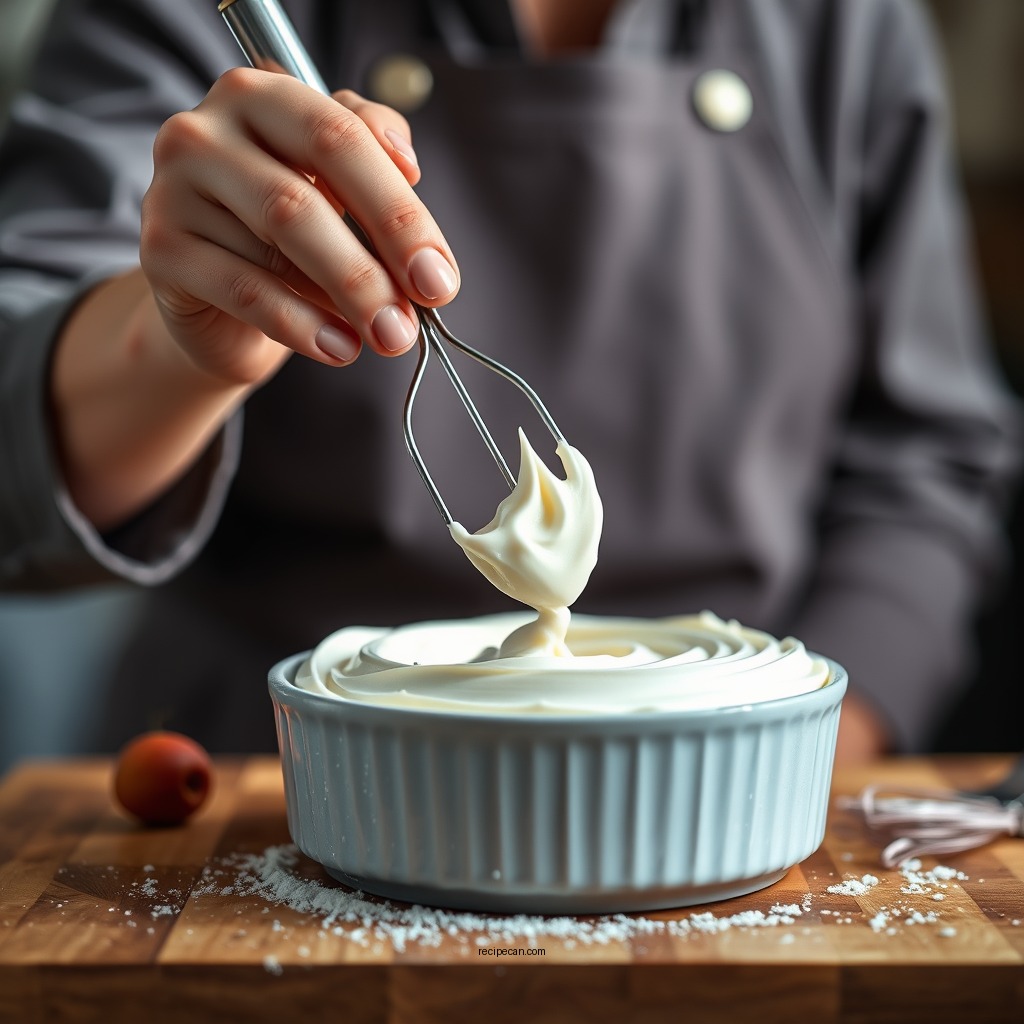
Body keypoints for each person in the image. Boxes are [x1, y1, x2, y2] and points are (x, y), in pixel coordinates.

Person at [0, 0, 1017, 763]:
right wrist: (178, 342)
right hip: (278, 772)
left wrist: (778, 765)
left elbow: (924, 459)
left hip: (737, 744)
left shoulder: (844, 23)